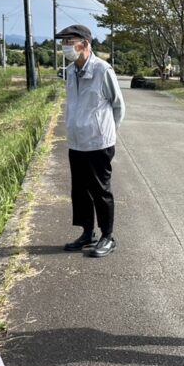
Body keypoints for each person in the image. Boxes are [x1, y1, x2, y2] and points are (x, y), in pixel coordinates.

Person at [58, 24, 125, 258]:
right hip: (76, 142)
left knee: (100, 190)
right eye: (63, 42)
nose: (65, 46)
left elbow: (118, 105)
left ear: (85, 44)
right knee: (80, 190)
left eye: (69, 41)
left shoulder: (102, 69)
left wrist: (108, 133)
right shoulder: (69, 71)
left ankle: (108, 236)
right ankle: (88, 233)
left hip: (99, 143)